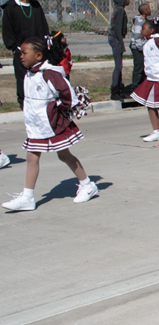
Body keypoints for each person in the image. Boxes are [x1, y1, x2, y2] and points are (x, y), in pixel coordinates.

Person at [2, 37, 98, 211]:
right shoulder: (29, 73)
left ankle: (87, 185)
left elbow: (69, 95)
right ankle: (28, 197)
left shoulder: (50, 73)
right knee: (32, 157)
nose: (21, 56)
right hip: (35, 126)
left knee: (64, 155)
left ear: (38, 55)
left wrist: (57, 110)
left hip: (53, 125)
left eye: (24, 53)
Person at [2, 0, 50, 108]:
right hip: (20, 49)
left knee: (39, 75)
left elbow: (43, 26)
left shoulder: (35, 6)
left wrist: (44, 42)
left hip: (36, 48)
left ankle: (39, 99)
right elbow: (7, 30)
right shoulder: (11, 7)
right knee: (22, 77)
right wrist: (13, 47)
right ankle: (23, 102)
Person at [108, 0, 130, 100]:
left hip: (115, 38)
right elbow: (117, 27)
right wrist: (120, 43)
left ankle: (120, 89)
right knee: (118, 66)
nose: (128, 0)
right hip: (116, 38)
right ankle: (115, 91)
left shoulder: (118, 9)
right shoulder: (120, 10)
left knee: (119, 65)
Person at [129, 3, 151, 91]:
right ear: (145, 11)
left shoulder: (144, 21)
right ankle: (135, 88)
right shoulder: (139, 22)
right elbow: (137, 36)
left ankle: (142, 88)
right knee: (138, 68)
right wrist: (140, 47)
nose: (150, 10)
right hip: (137, 48)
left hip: (142, 48)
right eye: (149, 9)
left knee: (143, 68)